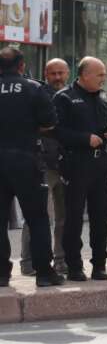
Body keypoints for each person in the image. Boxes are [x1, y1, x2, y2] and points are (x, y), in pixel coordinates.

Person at [0, 46, 65, 287]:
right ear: (21, 66)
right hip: (26, 160)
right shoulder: (34, 88)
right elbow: (50, 123)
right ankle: (44, 274)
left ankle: (1, 274)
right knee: (37, 218)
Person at [54, 57, 107, 281]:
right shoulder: (64, 98)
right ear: (85, 75)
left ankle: (99, 265)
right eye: (100, 75)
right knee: (74, 217)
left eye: (104, 74)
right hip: (76, 163)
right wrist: (83, 139)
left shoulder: (103, 96)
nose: (103, 79)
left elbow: (106, 124)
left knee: (100, 217)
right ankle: (74, 266)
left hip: (100, 164)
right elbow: (56, 131)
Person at [20, 58, 70, 276]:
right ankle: (29, 262)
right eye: (53, 73)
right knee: (36, 214)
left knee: (65, 216)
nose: (57, 77)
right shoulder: (37, 94)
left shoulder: (72, 96)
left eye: (61, 73)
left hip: (67, 164)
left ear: (67, 73)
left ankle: (61, 261)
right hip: (42, 162)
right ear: (45, 74)